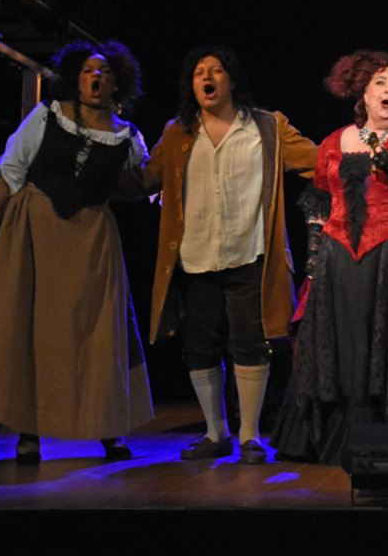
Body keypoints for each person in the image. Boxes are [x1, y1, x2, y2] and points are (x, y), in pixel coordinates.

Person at [0, 41, 153, 464]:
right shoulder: (48, 114)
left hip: (90, 240)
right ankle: (28, 434)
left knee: (95, 334)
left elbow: (139, 186)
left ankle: (106, 429)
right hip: (33, 229)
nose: (95, 77)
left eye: (104, 71)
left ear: (116, 83)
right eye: (88, 69)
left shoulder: (128, 137)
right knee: (27, 330)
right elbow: (13, 164)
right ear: (76, 76)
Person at [119, 46, 317, 463]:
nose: (206, 78)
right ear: (192, 85)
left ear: (231, 80)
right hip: (194, 256)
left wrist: (363, 156)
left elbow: (318, 161)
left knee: (250, 344)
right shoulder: (178, 131)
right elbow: (144, 180)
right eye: (198, 73)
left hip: (250, 254)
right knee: (200, 347)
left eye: (216, 70)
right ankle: (215, 433)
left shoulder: (266, 126)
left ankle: (248, 437)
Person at [271, 51, 388, 465]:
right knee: (342, 347)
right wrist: (315, 263)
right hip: (338, 258)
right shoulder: (335, 141)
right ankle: (336, 438)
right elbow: (319, 205)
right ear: (363, 94)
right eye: (379, 84)